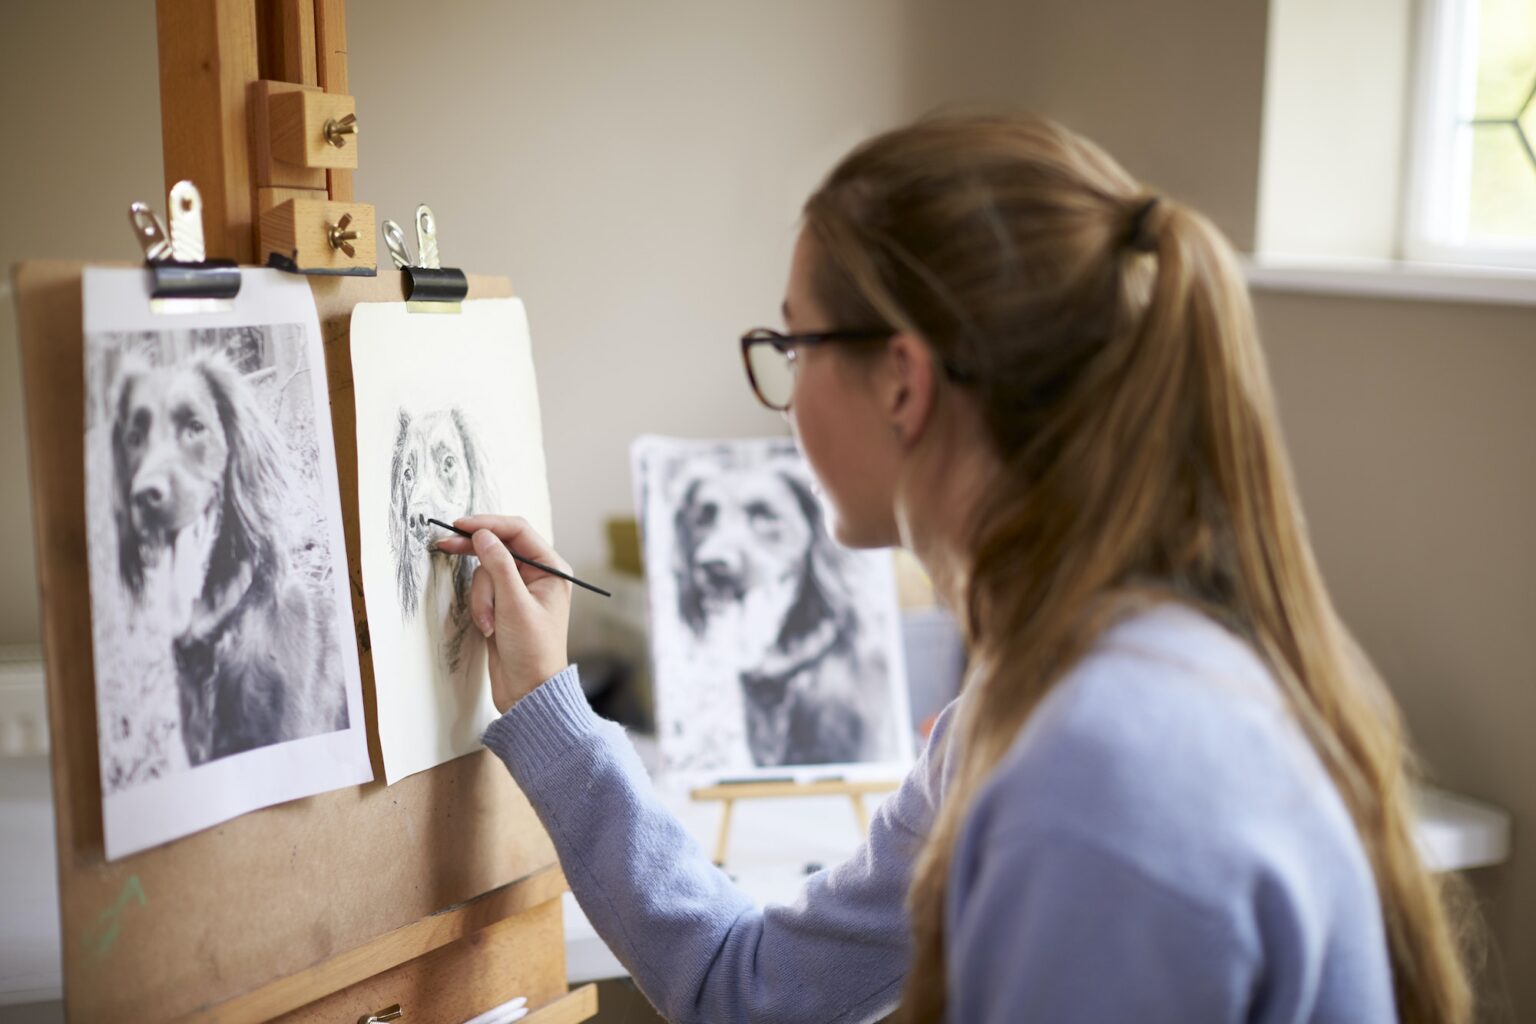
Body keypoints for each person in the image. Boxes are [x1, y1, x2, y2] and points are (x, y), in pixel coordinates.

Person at [436, 113, 1472, 1023]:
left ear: (903, 383)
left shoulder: (1096, 773)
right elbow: (747, 986)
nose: (785, 394)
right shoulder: (1023, 704)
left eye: (792, 345)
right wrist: (547, 700)